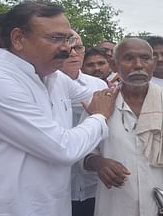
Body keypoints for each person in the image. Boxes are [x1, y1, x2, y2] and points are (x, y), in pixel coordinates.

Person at [0, 1, 117, 216]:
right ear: (19, 39)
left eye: (67, 39)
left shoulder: (53, 77)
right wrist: (98, 117)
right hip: (2, 208)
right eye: (55, 38)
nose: (67, 48)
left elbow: (101, 95)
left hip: (50, 206)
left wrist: (162, 98)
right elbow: (62, 148)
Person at [84, 38, 163, 216]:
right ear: (114, 65)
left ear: (153, 63)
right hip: (115, 207)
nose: (138, 65)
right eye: (128, 58)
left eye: (145, 58)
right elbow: (81, 153)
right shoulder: (99, 102)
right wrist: (97, 162)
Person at [58, 30, 107, 216]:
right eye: (68, 49)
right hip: (61, 186)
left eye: (78, 48)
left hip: (94, 182)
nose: (73, 53)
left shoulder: (99, 86)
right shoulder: (43, 83)